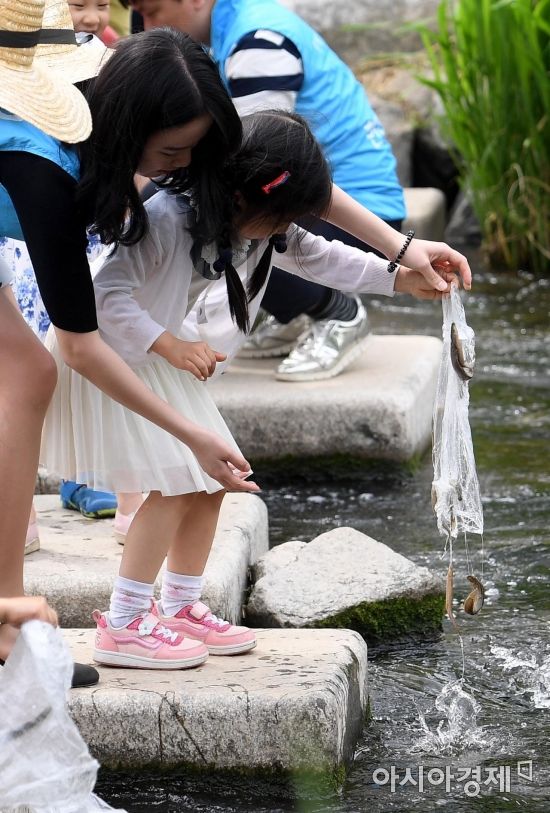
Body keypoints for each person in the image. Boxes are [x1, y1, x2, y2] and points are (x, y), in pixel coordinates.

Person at [41, 110, 457, 669]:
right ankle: (124, 622)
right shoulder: (168, 216)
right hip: (116, 355)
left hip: (153, 357)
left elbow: (316, 254)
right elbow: (104, 296)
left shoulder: (248, 218)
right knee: (175, 482)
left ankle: (181, 603)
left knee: (213, 482)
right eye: (283, 217)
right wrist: (169, 344)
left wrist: (396, 276)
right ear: (244, 198)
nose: (287, 231)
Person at [0, 23, 259, 684]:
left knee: (26, 373)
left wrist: (396, 253)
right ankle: (6, 617)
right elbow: (81, 346)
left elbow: (290, 184)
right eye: (172, 150)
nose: (179, 167)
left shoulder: (120, 81)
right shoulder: (41, 161)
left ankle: (6, 617)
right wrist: (191, 435)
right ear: (132, 128)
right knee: (31, 371)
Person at [132, 0, 408, 382]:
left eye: (152, 11)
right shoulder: (235, 26)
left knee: (223, 220)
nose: (146, 26)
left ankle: (338, 312)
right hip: (303, 196)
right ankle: (295, 313)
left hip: (345, 205)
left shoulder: (256, 45)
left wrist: (396, 249)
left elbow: (261, 170)